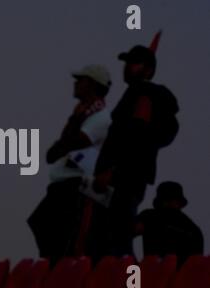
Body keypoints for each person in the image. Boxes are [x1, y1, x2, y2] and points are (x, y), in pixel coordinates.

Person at [92, 32, 180, 259]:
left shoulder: (144, 93)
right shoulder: (138, 93)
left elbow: (135, 136)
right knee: (114, 233)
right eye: (127, 62)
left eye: (135, 62)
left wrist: (113, 169)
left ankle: (126, 285)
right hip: (128, 175)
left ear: (148, 69)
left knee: (118, 235)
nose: (128, 67)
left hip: (125, 175)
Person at [27, 65, 112, 266]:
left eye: (80, 80)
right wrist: (71, 126)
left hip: (78, 187)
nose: (75, 83)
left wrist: (67, 135)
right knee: (41, 223)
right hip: (63, 185)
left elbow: (74, 142)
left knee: (68, 237)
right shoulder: (83, 116)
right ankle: (55, 268)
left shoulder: (101, 118)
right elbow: (53, 153)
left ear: (91, 84)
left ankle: (62, 272)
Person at [134, 182, 203, 266]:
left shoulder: (149, 216)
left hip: (156, 274)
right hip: (155, 273)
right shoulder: (192, 229)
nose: (168, 203)